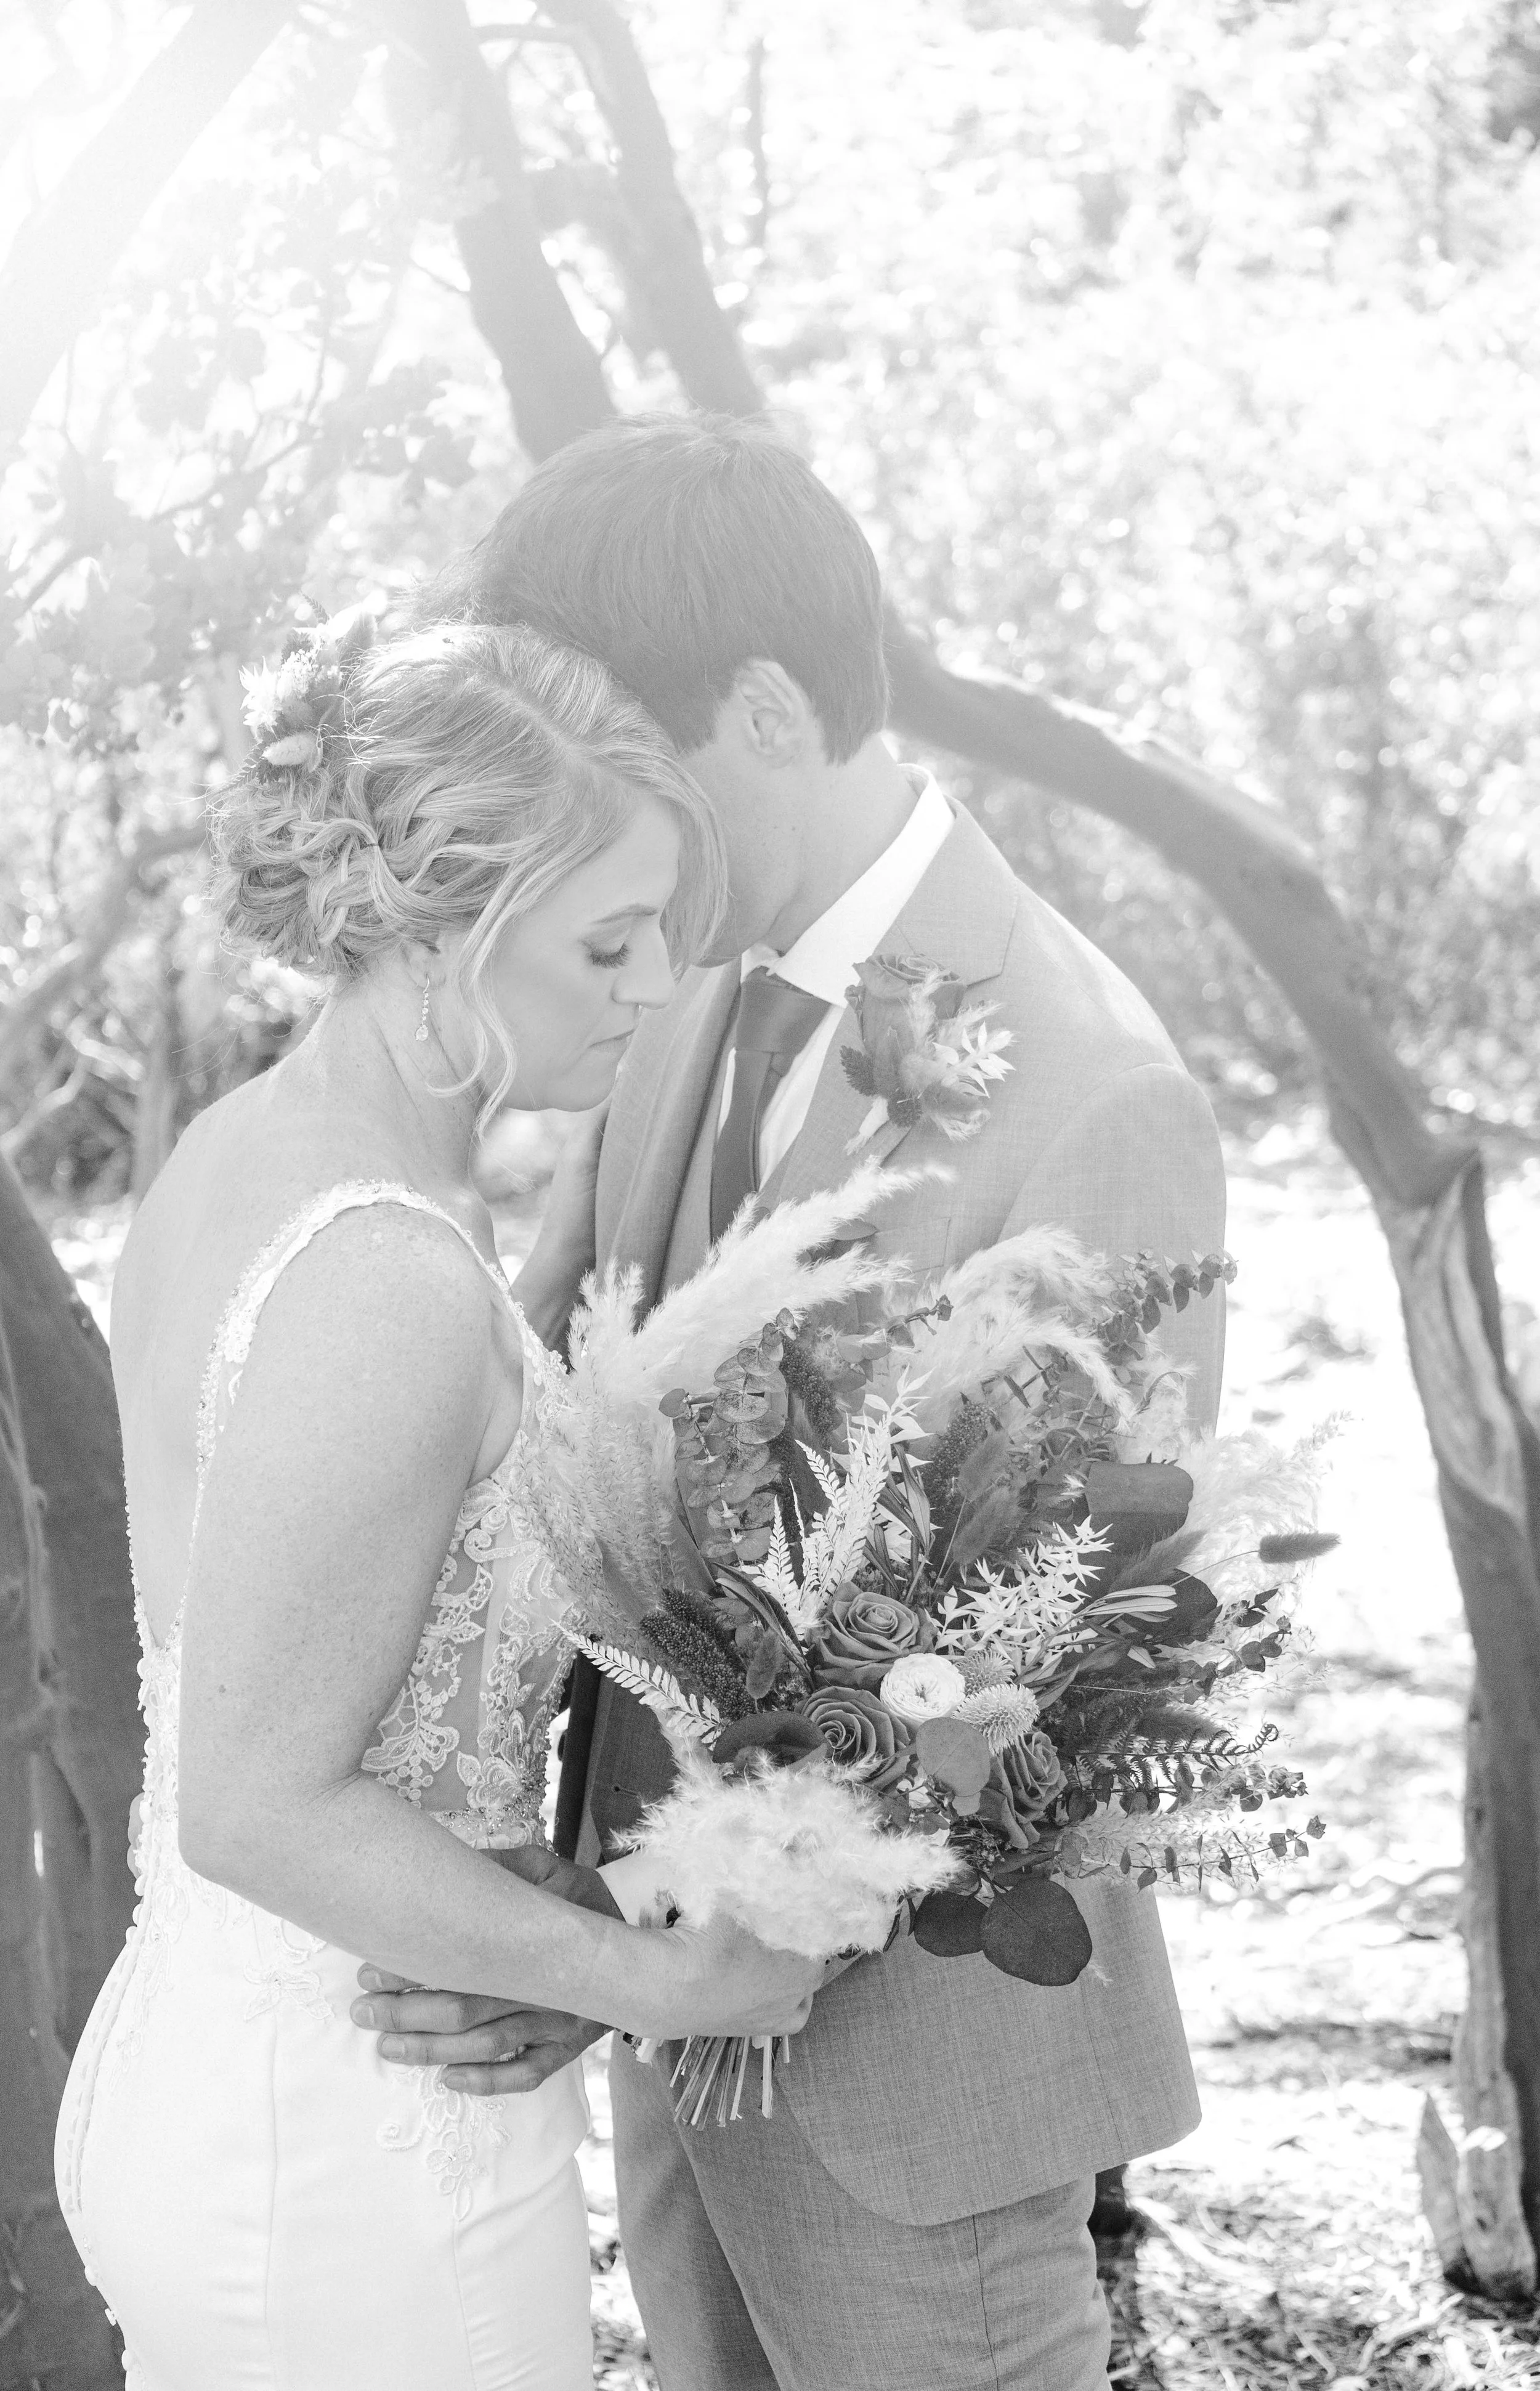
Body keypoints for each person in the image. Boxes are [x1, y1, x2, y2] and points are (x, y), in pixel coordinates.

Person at [359, 416, 1228, 2390]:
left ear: (757, 710)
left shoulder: (1094, 1096)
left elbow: (1039, 1650)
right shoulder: (670, 994)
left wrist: (658, 1946)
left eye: (613, 768)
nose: (590, 839)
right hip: (670, 2052)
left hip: (921, 2110)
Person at [53, 616, 822, 2391]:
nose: (650, 989)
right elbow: (254, 1801)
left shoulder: (247, 1151)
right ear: (428, 926)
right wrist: (660, 1983)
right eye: (607, 941)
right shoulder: (382, 1273)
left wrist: (524, 1897)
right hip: (344, 2155)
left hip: (271, 2057)